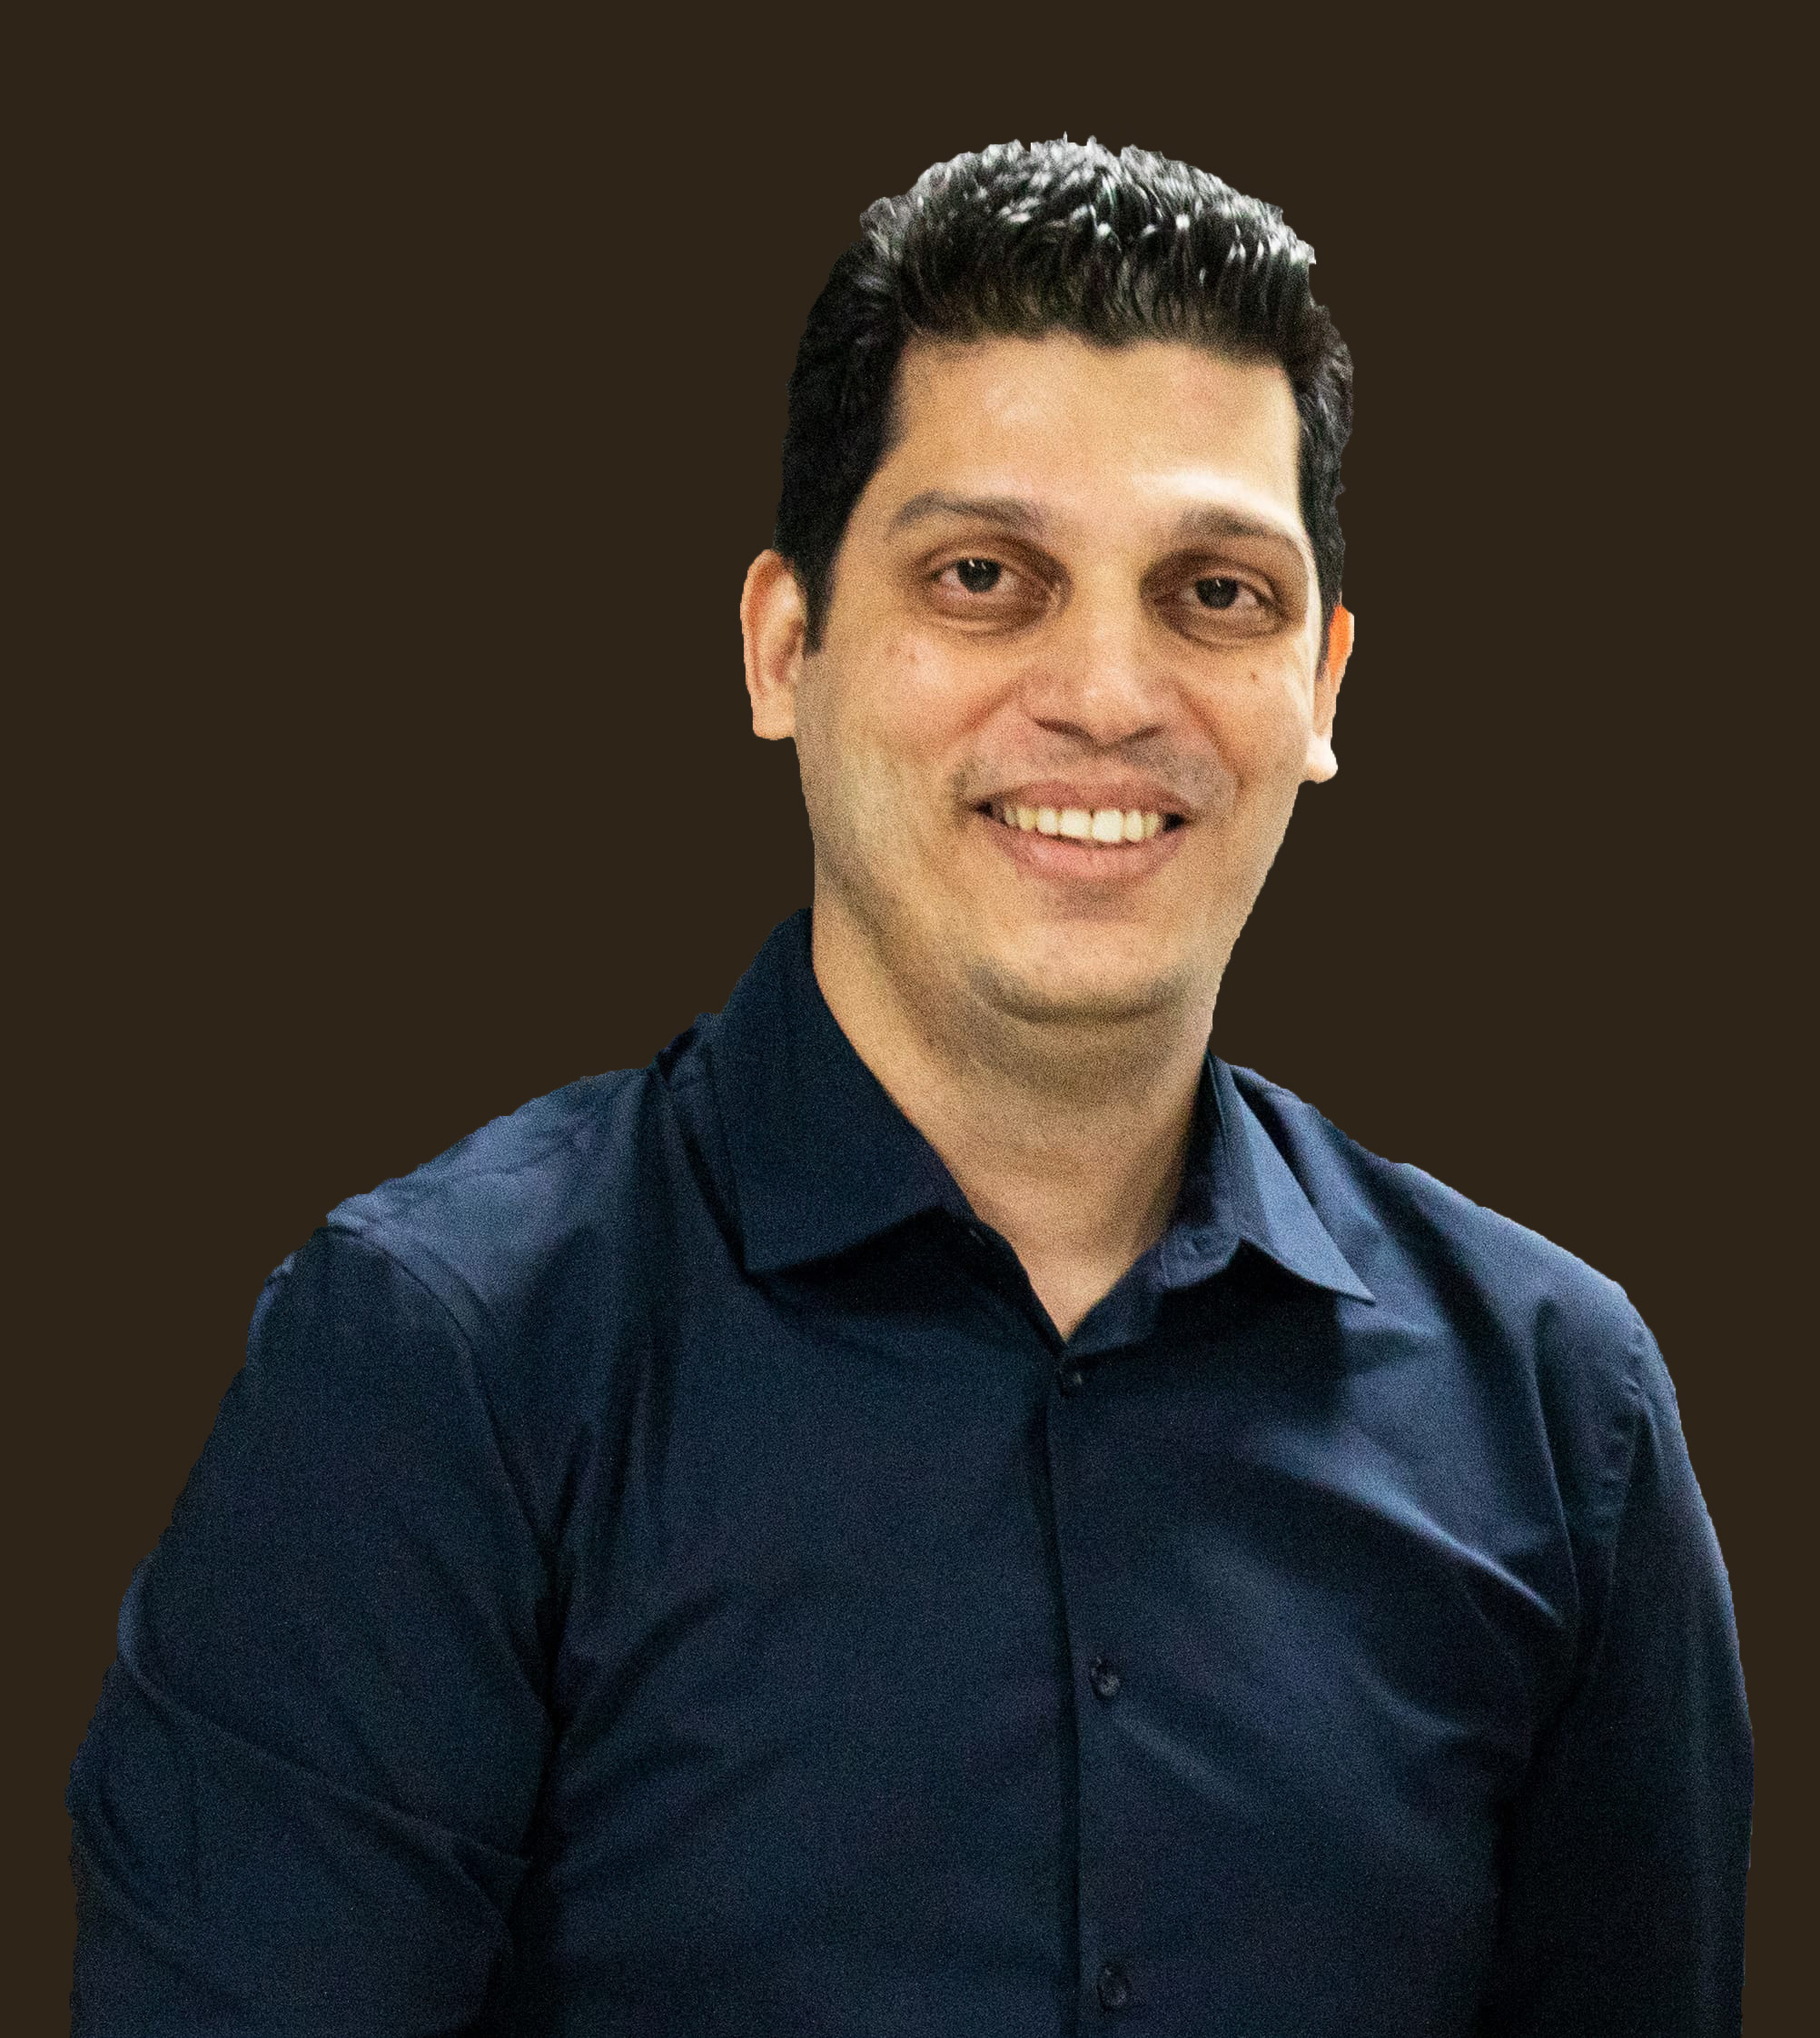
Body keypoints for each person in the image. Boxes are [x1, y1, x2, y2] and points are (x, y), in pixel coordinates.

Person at [67, 138, 1752, 2035]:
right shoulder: (438, 1368)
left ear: (1325, 689)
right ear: (783, 646)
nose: (1108, 692)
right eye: (984, 577)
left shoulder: (1561, 1414)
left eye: (1214, 592)